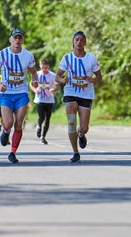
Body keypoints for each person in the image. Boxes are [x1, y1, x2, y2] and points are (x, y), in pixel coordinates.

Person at [0, 28, 38, 164]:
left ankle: (13, 152)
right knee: (9, 122)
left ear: (22, 40)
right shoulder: (2, 54)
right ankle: (5, 131)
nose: (17, 40)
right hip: (6, 94)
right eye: (15, 37)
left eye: (19, 38)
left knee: (18, 123)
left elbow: (33, 72)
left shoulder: (28, 55)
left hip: (21, 93)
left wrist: (34, 79)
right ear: (10, 39)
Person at [55, 31, 103, 163]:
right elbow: (57, 76)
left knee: (83, 127)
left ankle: (81, 134)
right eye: (76, 39)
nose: (79, 42)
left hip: (86, 94)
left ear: (85, 43)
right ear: (73, 42)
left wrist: (93, 80)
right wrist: (62, 80)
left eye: (82, 40)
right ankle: (75, 152)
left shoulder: (91, 58)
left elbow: (99, 76)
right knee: (71, 123)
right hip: (70, 92)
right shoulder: (67, 58)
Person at [29, 58, 59, 145]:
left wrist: (54, 90)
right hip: (39, 99)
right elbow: (31, 84)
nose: (44, 70)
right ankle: (38, 126)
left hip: (49, 100)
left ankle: (43, 137)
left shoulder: (52, 75)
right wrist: (35, 90)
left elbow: (57, 87)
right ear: (40, 66)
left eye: (46, 68)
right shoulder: (37, 74)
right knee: (41, 117)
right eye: (43, 68)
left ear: (48, 67)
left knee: (47, 119)